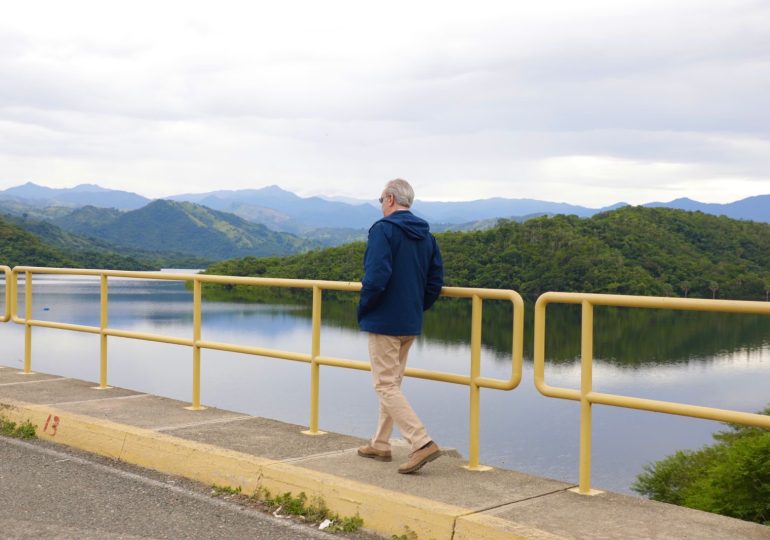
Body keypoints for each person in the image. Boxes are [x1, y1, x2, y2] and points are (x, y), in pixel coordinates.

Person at [356, 178, 444, 474]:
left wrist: (365, 306)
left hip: (385, 319)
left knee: (384, 385)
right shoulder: (427, 235)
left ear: (391, 199)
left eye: (380, 199)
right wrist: (415, 308)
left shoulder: (383, 230)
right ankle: (380, 444)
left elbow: (376, 276)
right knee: (392, 384)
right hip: (409, 321)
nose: (380, 204)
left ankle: (421, 442)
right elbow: (435, 282)